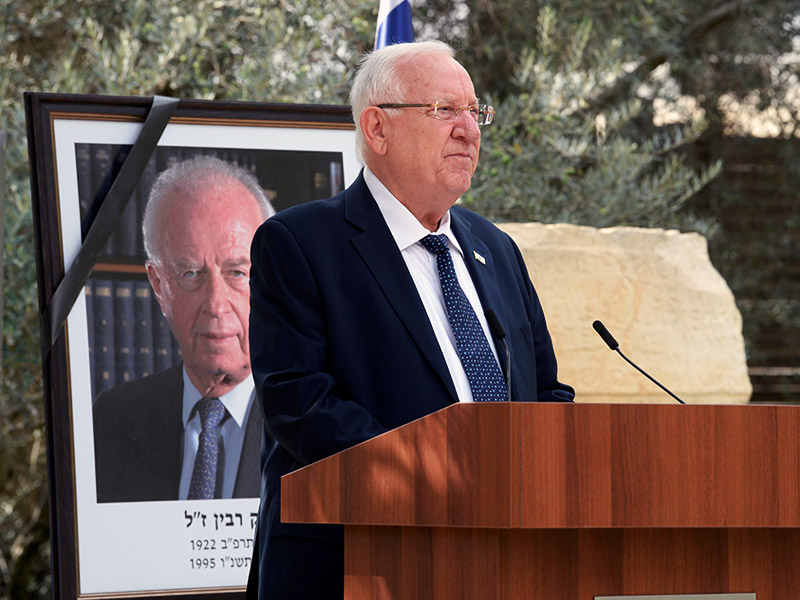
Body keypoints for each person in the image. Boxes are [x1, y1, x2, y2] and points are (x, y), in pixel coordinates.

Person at [248, 41, 574, 598]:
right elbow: (300, 403)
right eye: (445, 110)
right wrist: (449, 481)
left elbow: (545, 391)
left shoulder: (497, 249)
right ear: (377, 128)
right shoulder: (300, 243)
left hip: (502, 561)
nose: (469, 130)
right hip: (357, 565)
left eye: (476, 112)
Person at [93, 155, 275, 503]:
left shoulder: (315, 420)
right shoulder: (112, 419)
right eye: (191, 274)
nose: (216, 303)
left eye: (238, 273)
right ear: (159, 285)